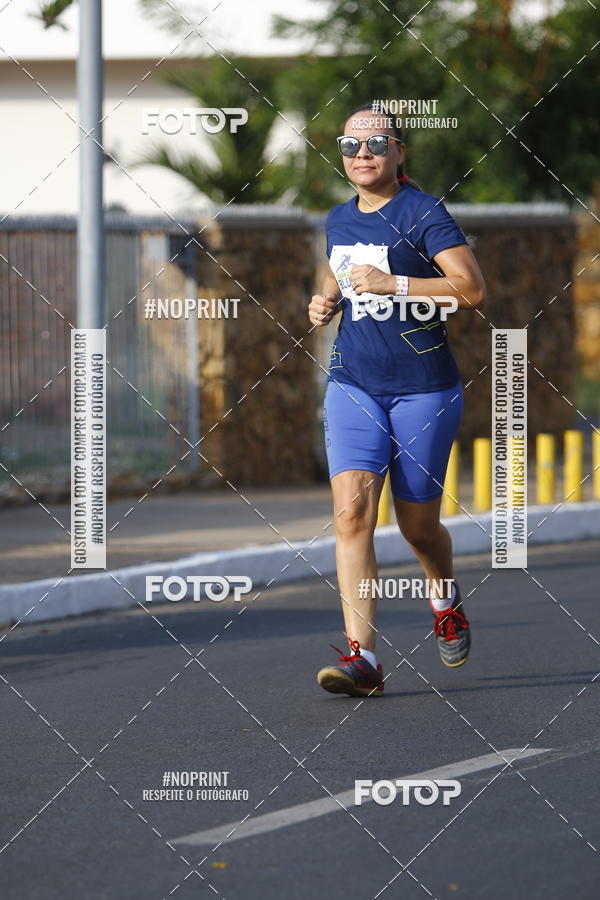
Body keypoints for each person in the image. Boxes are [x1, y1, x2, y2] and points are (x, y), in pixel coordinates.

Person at [308, 102, 487, 697]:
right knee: (352, 516)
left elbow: (471, 289)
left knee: (417, 526)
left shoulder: (424, 212)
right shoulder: (338, 218)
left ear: (399, 152)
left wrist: (396, 284)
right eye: (350, 144)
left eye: (376, 143)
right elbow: (337, 271)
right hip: (353, 384)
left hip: (423, 389)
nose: (362, 154)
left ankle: (443, 592)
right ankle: (364, 659)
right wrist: (323, 300)